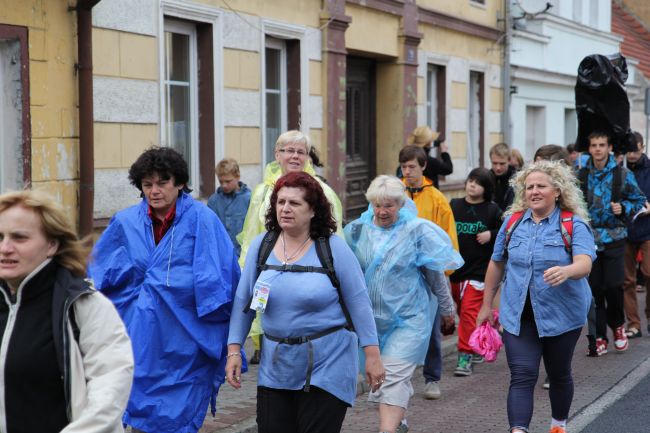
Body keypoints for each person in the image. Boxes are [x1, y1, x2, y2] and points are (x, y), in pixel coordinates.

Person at [89, 147, 240, 433]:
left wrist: (231, 342)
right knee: (139, 413)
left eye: (162, 182)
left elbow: (223, 279)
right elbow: (98, 277)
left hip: (185, 341)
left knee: (178, 419)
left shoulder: (202, 221)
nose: (154, 191)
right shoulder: (125, 222)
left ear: (180, 182)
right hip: (139, 339)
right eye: (147, 185)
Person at [225, 171, 383, 433]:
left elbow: (359, 302)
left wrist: (372, 354)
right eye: (280, 202)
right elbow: (244, 302)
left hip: (328, 363)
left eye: (294, 203)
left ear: (313, 210)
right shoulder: (260, 246)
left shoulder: (333, 248)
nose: (285, 209)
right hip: (276, 365)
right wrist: (233, 350)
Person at [477, 160, 596, 433]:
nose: (534, 191)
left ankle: (558, 425)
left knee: (559, 374)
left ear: (557, 190)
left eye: (541, 186)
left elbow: (584, 263)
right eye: (529, 187)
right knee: (522, 375)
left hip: (563, 316)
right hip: (518, 316)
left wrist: (567, 271)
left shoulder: (573, 225)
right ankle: (519, 430)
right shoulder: (512, 224)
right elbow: (496, 264)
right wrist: (486, 305)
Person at [0, 190, 134, 433]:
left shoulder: (83, 305)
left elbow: (109, 390)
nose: (5, 248)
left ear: (52, 244)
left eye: (19, 238)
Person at [345, 175, 463, 433]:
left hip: (409, 319)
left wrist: (447, 309)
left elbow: (435, 275)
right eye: (377, 205)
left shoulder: (417, 232)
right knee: (380, 377)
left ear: (400, 204)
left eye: (389, 205)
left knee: (393, 376)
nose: (382, 211)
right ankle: (399, 421)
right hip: (371, 322)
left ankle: (386, 430)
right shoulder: (357, 231)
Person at [237, 130, 343, 364]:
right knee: (270, 329)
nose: (295, 156)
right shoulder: (262, 192)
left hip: (309, 273)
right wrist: (247, 270)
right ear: (277, 154)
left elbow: (334, 237)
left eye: (301, 152)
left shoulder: (321, 191)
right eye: (289, 150)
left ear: (308, 157)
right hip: (270, 269)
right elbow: (251, 235)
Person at [577, 131, 646, 355]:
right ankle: (599, 336)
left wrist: (623, 208)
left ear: (609, 148)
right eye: (594, 145)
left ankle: (617, 326)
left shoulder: (622, 174)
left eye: (602, 145)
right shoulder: (581, 174)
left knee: (614, 286)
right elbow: (569, 201)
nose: (598, 149)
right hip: (588, 238)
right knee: (594, 289)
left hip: (615, 236)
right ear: (589, 149)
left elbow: (638, 200)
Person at [398, 145, 458, 401]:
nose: (408, 171)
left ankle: (432, 378)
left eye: (412, 166)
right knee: (398, 326)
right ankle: (398, 377)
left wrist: (444, 273)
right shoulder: (395, 193)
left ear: (423, 167)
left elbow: (448, 236)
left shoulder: (437, 199)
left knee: (432, 329)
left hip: (430, 272)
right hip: (401, 272)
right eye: (404, 166)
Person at [449, 168, 503, 376]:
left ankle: (465, 355)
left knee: (468, 314)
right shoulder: (454, 205)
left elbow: (508, 231)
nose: (472, 185)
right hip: (455, 270)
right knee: (460, 310)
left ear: (486, 188)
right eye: (470, 180)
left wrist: (491, 234)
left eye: (477, 183)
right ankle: (479, 340)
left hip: (479, 272)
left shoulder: (492, 210)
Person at [623, 131, 650, 338]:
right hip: (626, 230)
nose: (631, 154)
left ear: (642, 147)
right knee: (627, 280)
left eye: (634, 150)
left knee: (649, 274)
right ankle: (634, 323)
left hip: (647, 228)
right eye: (628, 150)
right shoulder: (621, 171)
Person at [207, 157, 252, 257]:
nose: (224, 185)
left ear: (238, 176)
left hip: (243, 256)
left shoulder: (249, 199)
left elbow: (252, 231)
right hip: (221, 255)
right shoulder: (213, 201)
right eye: (221, 181)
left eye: (228, 181)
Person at [490, 142, 516, 211]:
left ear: (509, 161)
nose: (498, 167)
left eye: (502, 163)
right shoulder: (486, 178)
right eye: (494, 163)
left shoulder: (517, 179)